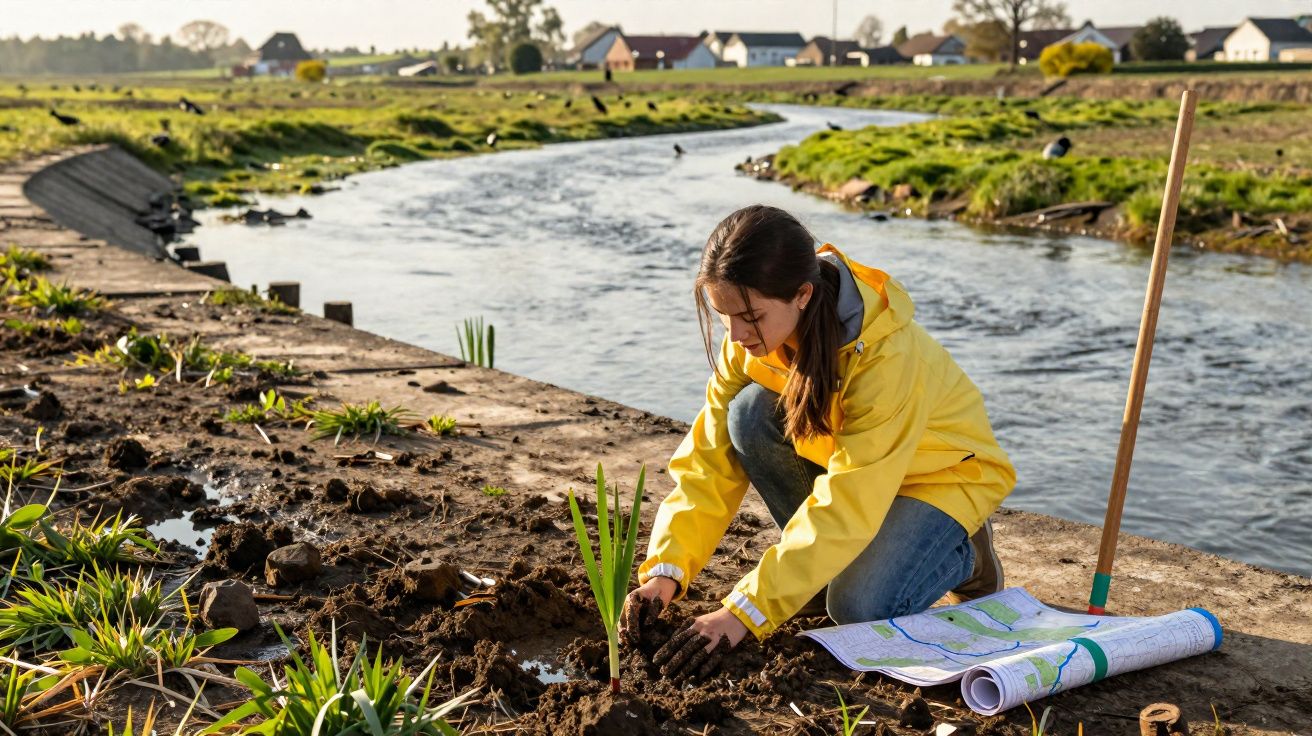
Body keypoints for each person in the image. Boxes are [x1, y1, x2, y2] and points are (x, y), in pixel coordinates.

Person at [619, 204, 1016, 678]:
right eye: (723, 316)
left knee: (856, 608)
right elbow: (708, 463)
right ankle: (807, 582)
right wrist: (665, 571)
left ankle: (964, 553)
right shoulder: (749, 339)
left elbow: (847, 502)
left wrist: (744, 611)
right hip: (859, 474)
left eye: (750, 317)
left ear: (802, 294)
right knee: (746, 416)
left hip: (941, 477)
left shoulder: (884, 358)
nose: (737, 335)